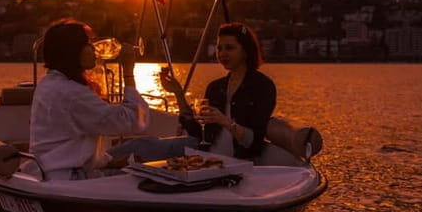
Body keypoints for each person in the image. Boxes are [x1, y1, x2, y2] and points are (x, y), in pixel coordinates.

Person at [27, 19, 150, 180]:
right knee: (150, 149)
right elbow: (133, 121)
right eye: (88, 44)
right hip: (72, 181)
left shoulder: (49, 83)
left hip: (51, 170)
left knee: (145, 146)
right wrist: (128, 71)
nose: (95, 49)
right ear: (73, 51)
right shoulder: (72, 94)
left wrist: (111, 162)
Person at [159, 22, 276, 160]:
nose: (222, 54)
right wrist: (178, 93)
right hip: (205, 157)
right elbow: (196, 132)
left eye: (229, 48)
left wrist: (226, 122)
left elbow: (255, 143)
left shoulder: (263, 86)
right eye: (219, 48)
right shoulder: (215, 87)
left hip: (238, 162)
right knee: (142, 145)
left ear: (245, 51)